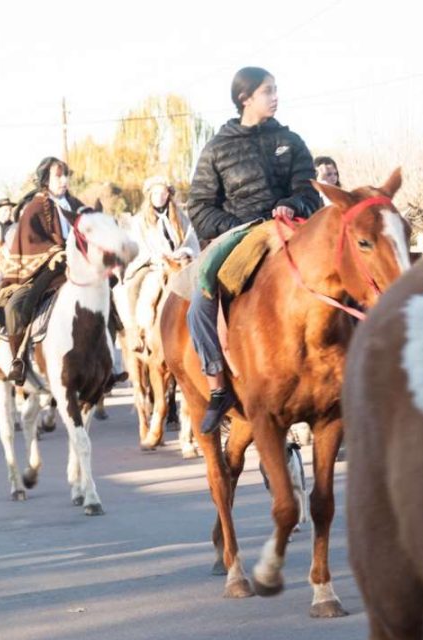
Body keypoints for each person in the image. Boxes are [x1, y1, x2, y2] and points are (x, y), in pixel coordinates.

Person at [186, 66, 321, 433]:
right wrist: (236, 227)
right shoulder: (217, 148)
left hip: (291, 229)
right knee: (200, 302)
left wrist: (294, 204)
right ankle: (216, 385)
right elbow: (198, 206)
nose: (276, 97)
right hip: (240, 233)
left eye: (276, 90)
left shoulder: (291, 141)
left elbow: (310, 192)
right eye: (268, 91)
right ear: (245, 98)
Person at [0, 156, 90, 385]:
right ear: (45, 180)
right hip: (49, 268)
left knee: (110, 292)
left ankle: (115, 348)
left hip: (80, 265)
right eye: (58, 176)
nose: (63, 180)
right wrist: (55, 252)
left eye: (65, 175)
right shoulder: (35, 207)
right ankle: (18, 360)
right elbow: (31, 240)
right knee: (15, 307)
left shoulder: (76, 205)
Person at [122, 175, 201, 348]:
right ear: (149, 195)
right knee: (134, 285)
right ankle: (138, 332)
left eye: (163, 192)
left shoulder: (180, 217)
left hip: (179, 262)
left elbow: (190, 240)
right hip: (151, 263)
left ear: (168, 194)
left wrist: (183, 252)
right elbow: (138, 245)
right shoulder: (139, 220)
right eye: (155, 193)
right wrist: (156, 256)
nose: (159, 196)